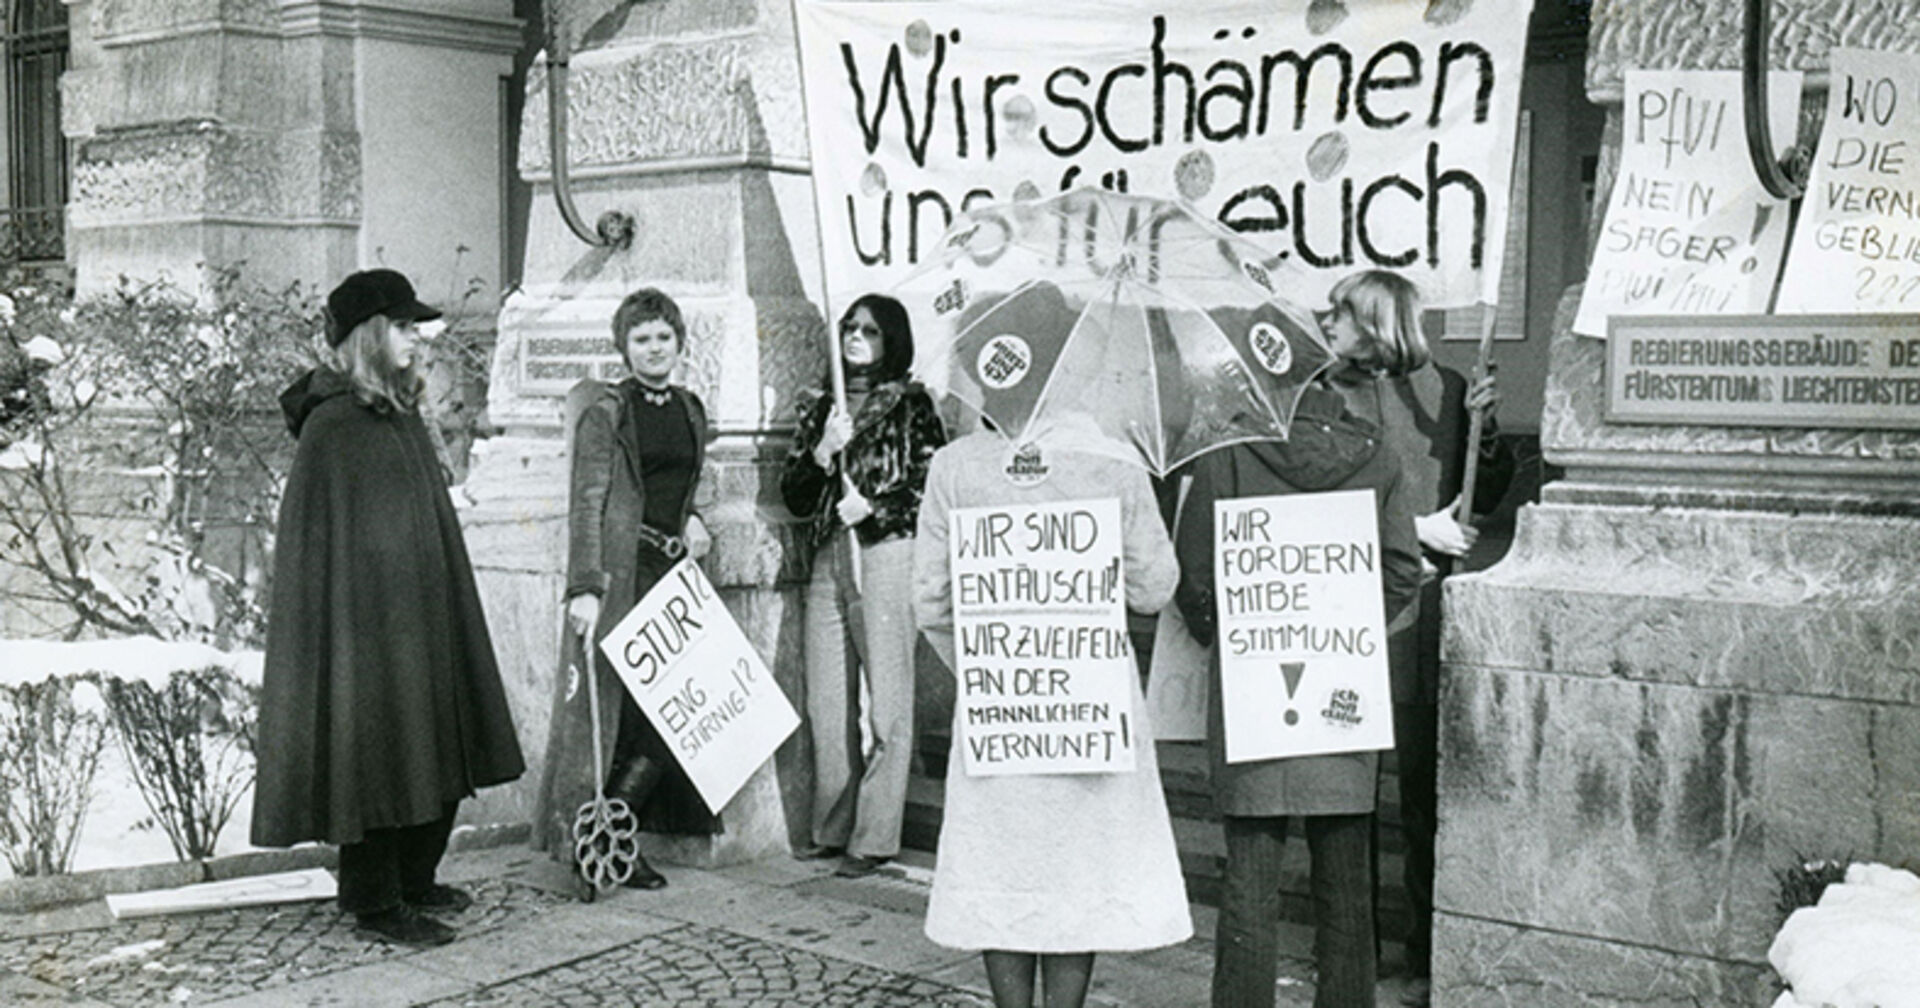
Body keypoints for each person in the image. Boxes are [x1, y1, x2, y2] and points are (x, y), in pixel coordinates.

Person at [252, 268, 525, 947]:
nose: (416, 339)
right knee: (376, 751)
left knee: (438, 735)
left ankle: (413, 875)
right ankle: (374, 898)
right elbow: (325, 554)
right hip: (368, 636)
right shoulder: (335, 427)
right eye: (403, 327)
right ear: (370, 335)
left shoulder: (396, 413)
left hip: (422, 619)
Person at [914, 414, 1193, 1008]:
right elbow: (1154, 587)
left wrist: (989, 670)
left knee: (1001, 873)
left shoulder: (954, 465)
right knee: (1077, 874)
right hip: (1087, 703)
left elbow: (930, 601)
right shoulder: (1113, 457)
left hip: (1001, 703)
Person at [1173, 382, 1423, 1008]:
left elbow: (1194, 572)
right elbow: (1401, 570)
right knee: (1345, 881)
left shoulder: (1227, 453)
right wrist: (1351, 626)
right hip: (1343, 682)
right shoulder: (1380, 456)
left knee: (1250, 880)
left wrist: (1226, 637)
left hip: (1256, 684)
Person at [1318, 269, 1510, 1006]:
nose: (1328, 321)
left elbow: (1480, 496)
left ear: (1375, 320)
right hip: (1347, 610)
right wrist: (1409, 530)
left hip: (1423, 622)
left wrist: (1486, 434)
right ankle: (1350, 957)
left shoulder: (1453, 389)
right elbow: (1320, 503)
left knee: (1424, 801)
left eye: (1340, 311)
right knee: (1349, 799)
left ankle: (1426, 954)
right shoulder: (1324, 394)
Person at [533, 287, 718, 890]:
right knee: (618, 716)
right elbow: (586, 504)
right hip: (622, 576)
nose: (654, 347)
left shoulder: (691, 407)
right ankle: (599, 842)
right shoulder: (608, 412)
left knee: (671, 716)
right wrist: (585, 587)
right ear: (624, 347)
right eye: (642, 339)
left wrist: (693, 520)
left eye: (664, 336)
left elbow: (682, 486)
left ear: (679, 341)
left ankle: (614, 831)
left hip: (672, 578)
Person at [781, 293, 946, 879]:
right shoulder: (822, 406)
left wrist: (872, 506)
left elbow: (931, 486)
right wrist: (823, 452)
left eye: (870, 332)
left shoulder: (912, 405)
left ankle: (874, 838)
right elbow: (795, 496)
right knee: (827, 702)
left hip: (885, 556)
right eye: (850, 328)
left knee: (887, 706)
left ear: (890, 340)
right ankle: (832, 826)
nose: (856, 338)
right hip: (829, 556)